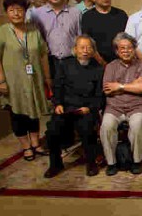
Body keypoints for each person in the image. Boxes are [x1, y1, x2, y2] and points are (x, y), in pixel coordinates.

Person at [0, 0, 51, 161]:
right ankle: (26, 146)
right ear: (7, 13)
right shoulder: (2, 32)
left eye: (19, 9)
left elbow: (43, 54)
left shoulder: (33, 30)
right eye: (12, 10)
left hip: (34, 79)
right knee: (17, 113)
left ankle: (36, 143)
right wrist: (0, 80)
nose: (16, 13)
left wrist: (47, 78)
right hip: (13, 81)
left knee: (33, 111)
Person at [43, 35, 103, 178]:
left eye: (89, 47)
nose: (85, 50)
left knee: (87, 128)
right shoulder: (65, 65)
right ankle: (56, 163)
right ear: (75, 49)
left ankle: (91, 163)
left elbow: (100, 94)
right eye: (82, 47)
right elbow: (58, 87)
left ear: (93, 50)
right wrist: (57, 104)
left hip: (86, 109)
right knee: (52, 130)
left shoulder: (98, 69)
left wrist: (90, 108)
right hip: (66, 108)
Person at [100, 33, 142, 176]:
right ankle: (111, 163)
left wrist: (120, 87)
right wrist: (133, 85)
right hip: (114, 108)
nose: (126, 51)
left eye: (129, 48)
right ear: (117, 51)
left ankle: (137, 161)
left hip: (138, 107)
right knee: (106, 126)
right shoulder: (110, 67)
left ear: (134, 49)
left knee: (136, 125)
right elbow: (108, 90)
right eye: (122, 48)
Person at [31, 0, 82, 77]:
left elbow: (79, 35)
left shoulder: (75, 12)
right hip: (50, 61)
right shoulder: (37, 14)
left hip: (72, 60)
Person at [81, 0, 128, 65]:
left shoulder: (121, 14)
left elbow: (127, 39)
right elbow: (88, 42)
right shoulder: (87, 17)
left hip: (121, 61)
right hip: (98, 63)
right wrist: (101, 62)